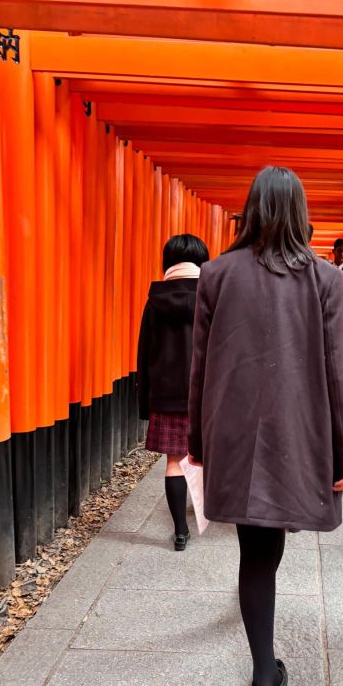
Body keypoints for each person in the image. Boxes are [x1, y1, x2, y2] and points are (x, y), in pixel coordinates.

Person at [188, 166, 343, 686]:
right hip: (298, 432)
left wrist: (197, 441)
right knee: (268, 545)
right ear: (302, 214)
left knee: (255, 550)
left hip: (235, 432)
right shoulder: (326, 280)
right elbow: (340, 373)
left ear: (252, 209)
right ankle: (264, 676)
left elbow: (200, 368)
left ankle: (265, 676)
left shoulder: (216, 275)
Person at [137, 234, 209, 552]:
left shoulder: (155, 300)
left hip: (167, 393)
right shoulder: (212, 297)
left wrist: (145, 403)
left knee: (174, 462)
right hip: (208, 392)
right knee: (218, 457)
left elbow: (144, 353)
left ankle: (181, 532)